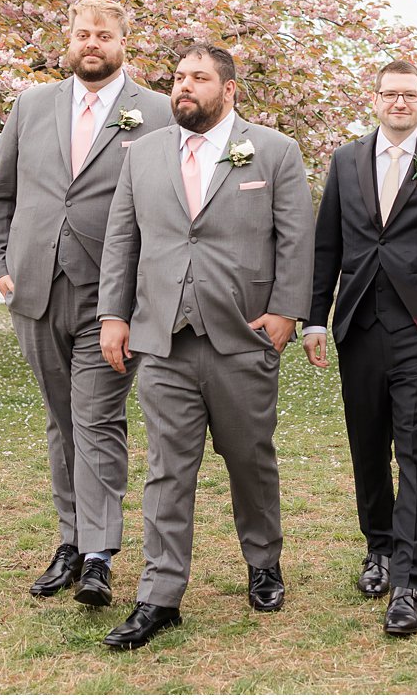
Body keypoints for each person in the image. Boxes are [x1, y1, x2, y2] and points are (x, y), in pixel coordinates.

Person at [96, 44, 314, 650]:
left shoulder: (274, 152)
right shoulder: (143, 153)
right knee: (167, 469)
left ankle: (263, 562)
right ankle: (160, 596)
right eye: (178, 78)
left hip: (242, 337)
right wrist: (114, 315)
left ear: (229, 88)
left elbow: (297, 240)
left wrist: (285, 314)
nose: (183, 87)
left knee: (250, 459)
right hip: (162, 338)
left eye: (198, 78)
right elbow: (122, 240)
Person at [0, 0, 173, 608]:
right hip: (34, 288)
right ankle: (70, 540)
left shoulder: (159, 112)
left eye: (105, 35)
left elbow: (169, 205)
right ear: (68, 39)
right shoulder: (30, 105)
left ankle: (97, 554)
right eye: (83, 33)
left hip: (113, 297)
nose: (93, 43)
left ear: (123, 43)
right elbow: (0, 196)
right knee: (62, 420)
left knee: (96, 419)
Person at [303, 59, 417, 636]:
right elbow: (326, 244)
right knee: (367, 448)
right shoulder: (346, 160)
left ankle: (408, 582)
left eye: (410, 95)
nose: (399, 103)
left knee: (416, 454)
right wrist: (313, 318)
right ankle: (378, 547)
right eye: (390, 94)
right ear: (374, 100)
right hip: (358, 326)